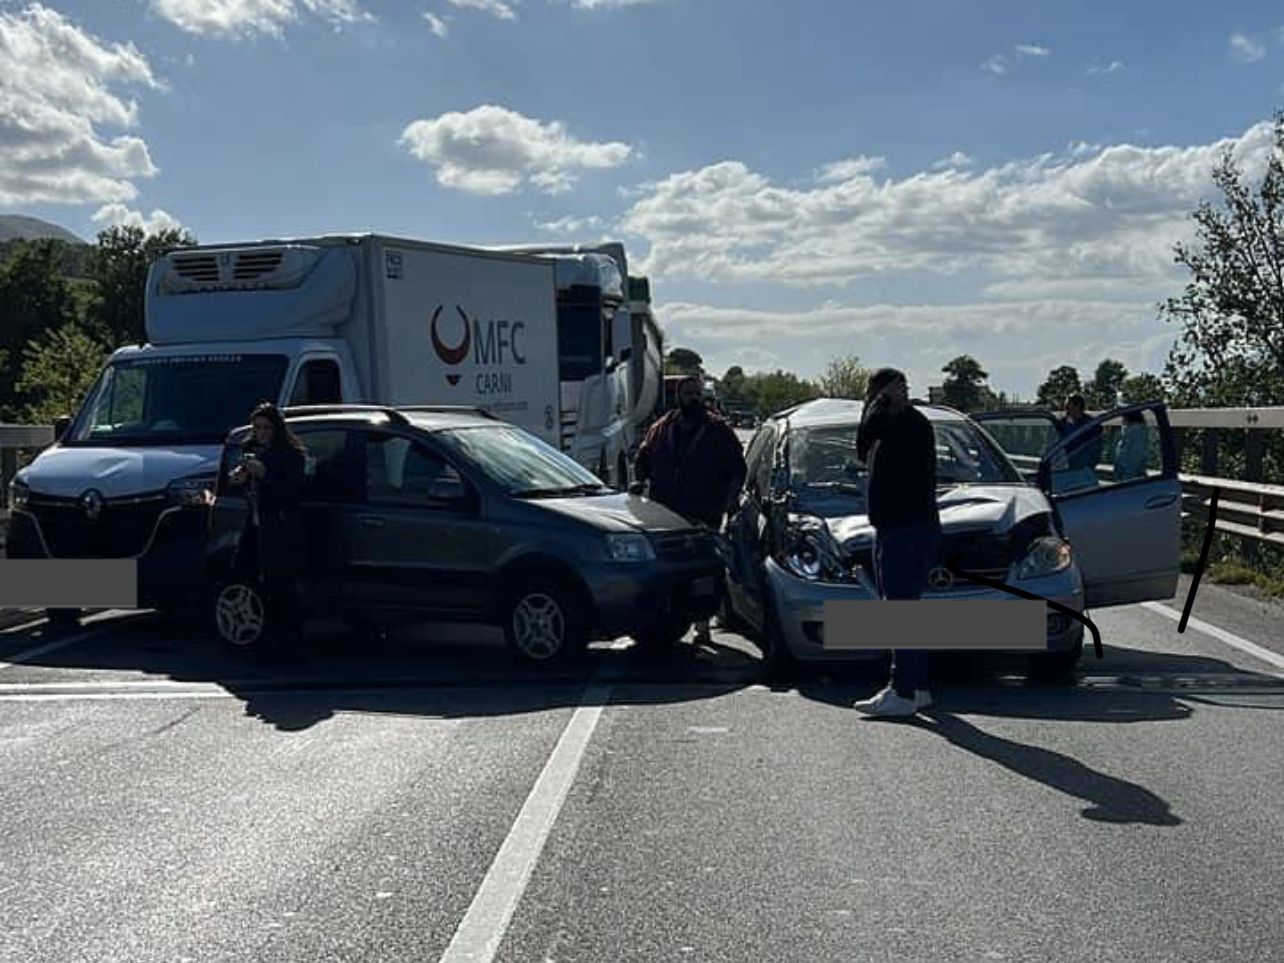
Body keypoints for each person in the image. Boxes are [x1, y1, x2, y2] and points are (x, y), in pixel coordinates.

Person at [851, 368, 942, 718]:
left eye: (897, 388)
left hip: (905, 527)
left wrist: (880, 404)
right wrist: (878, 404)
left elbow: (867, 434)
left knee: (900, 611)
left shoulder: (909, 423)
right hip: (903, 525)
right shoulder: (899, 421)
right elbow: (863, 447)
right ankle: (915, 686)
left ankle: (902, 690)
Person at [630, 374, 746, 644]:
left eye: (696, 393)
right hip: (666, 515)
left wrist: (731, 500)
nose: (692, 398)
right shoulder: (660, 428)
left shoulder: (717, 430)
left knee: (703, 573)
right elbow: (642, 459)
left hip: (704, 513)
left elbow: (737, 470)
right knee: (667, 572)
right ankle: (667, 621)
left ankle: (703, 625)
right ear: (678, 397)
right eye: (687, 394)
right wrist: (639, 482)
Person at [228, 402, 308, 660]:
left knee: (280, 587)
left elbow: (290, 494)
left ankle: (286, 644)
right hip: (254, 524)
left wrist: (265, 475)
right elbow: (245, 489)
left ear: (277, 429)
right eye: (257, 428)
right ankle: (259, 638)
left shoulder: (290, 455)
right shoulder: (250, 449)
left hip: (279, 527)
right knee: (245, 575)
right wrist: (241, 478)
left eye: (266, 428)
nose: (261, 433)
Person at [1056, 393, 1103, 473]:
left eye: (1068, 406)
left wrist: (1090, 464)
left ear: (1078, 406)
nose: (1066, 409)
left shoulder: (1091, 425)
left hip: (1084, 467)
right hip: (1065, 464)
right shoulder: (1062, 423)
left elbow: (1097, 446)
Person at [1113, 410, 1149, 482]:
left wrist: (1127, 478)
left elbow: (1134, 458)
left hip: (1130, 478)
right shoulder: (1129, 433)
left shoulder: (1136, 433)